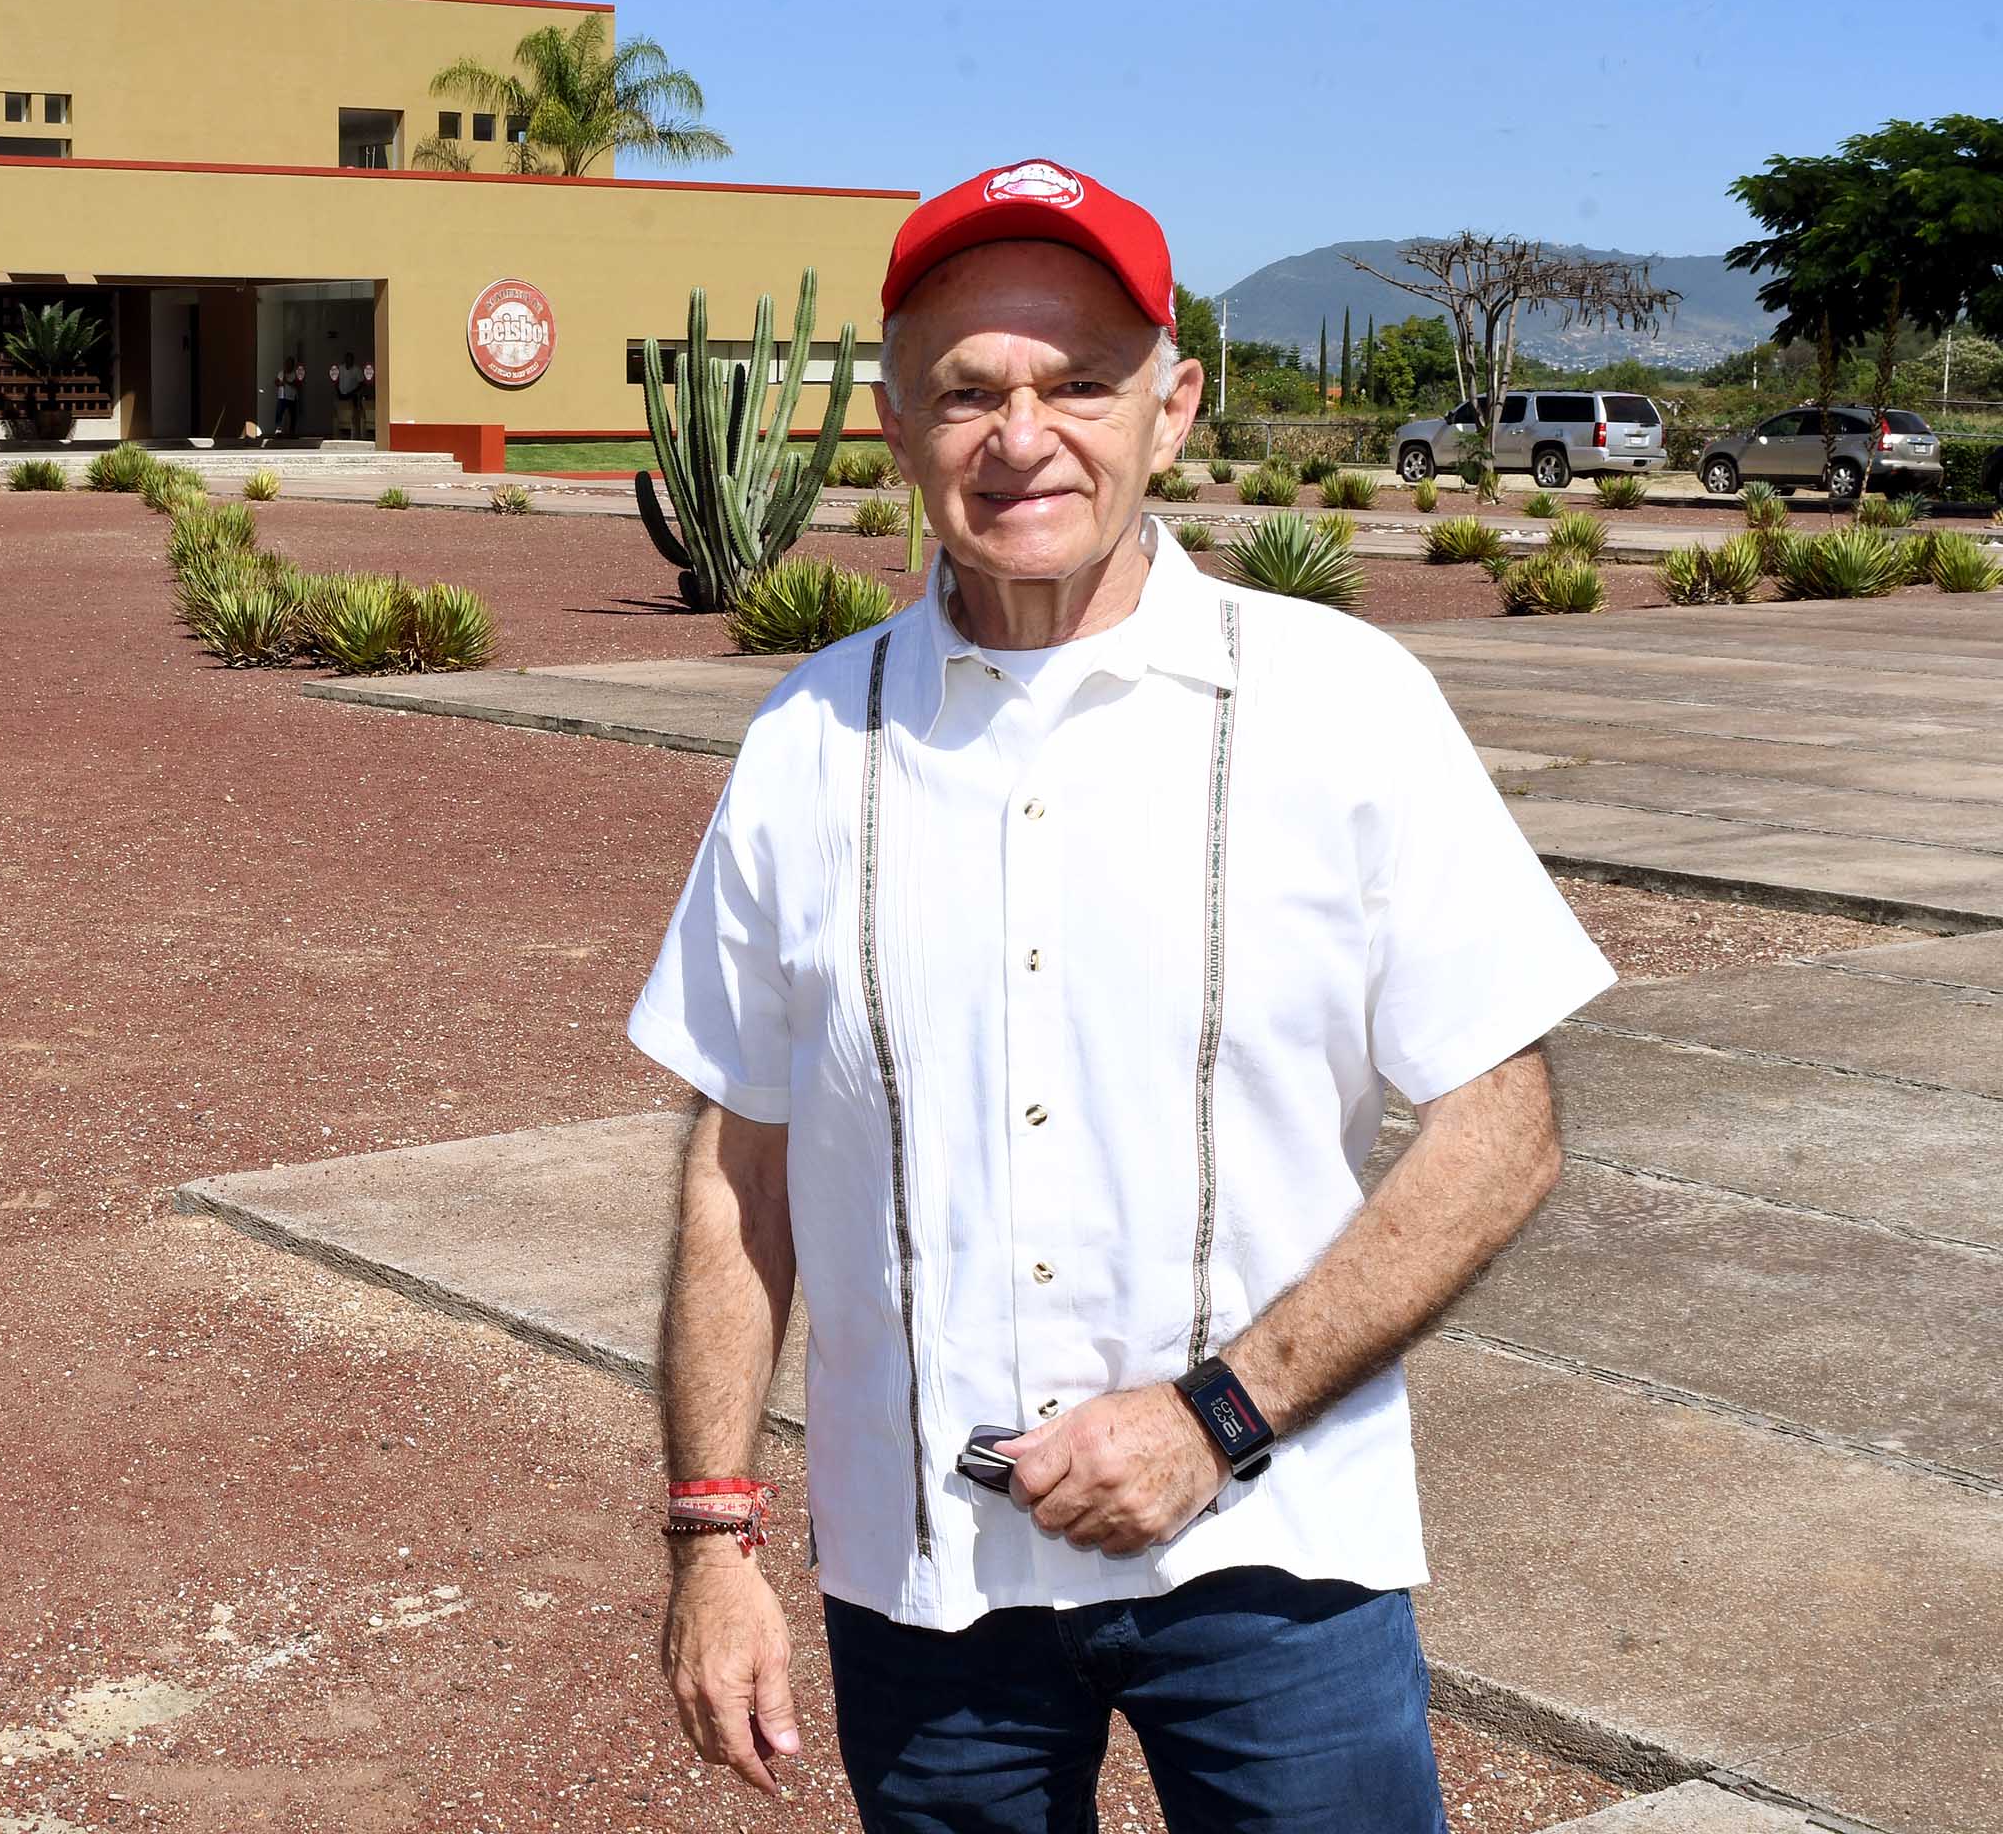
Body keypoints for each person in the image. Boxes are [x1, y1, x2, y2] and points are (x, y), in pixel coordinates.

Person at [632, 159, 1612, 1832]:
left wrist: (1214, 1416)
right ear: (893, 425)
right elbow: (738, 1172)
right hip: (923, 1588)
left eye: (1075, 380)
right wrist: (710, 1537)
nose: (1021, 436)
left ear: (1171, 410)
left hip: (1271, 1566)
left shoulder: (1339, 704)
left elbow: (1498, 1126)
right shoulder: (807, 742)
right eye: (965, 390)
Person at [273, 351, 305, 440]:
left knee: (293, 416)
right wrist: (279, 383)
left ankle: (292, 432)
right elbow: (276, 382)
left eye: (290, 364)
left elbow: (297, 384)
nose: (288, 365)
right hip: (282, 396)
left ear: (293, 365)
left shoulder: (295, 374)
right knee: (279, 414)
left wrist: (287, 381)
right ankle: (278, 431)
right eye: (287, 363)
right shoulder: (281, 373)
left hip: (292, 397)